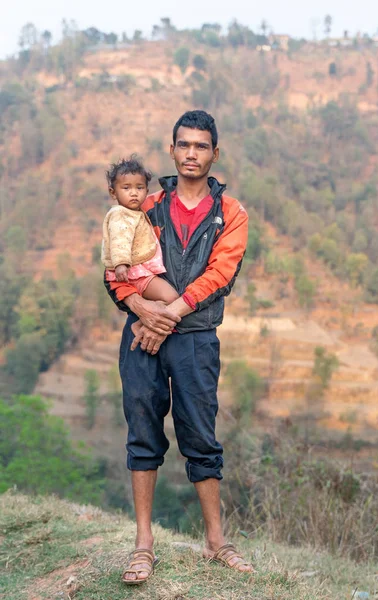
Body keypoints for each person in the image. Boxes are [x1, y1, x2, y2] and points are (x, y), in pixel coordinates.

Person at [105, 110, 254, 584]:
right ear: (172, 150)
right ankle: (143, 545)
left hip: (193, 340)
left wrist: (165, 316)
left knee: (200, 437)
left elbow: (220, 276)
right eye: (183, 144)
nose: (192, 153)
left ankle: (216, 541)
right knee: (143, 434)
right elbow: (115, 269)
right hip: (141, 334)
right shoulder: (142, 206)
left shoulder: (231, 214)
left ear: (215, 152)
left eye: (201, 145)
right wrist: (139, 307)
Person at [102, 155, 179, 315]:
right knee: (172, 298)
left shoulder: (134, 213)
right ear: (113, 192)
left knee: (169, 298)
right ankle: (146, 316)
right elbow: (119, 240)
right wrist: (121, 263)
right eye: (126, 188)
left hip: (139, 271)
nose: (134, 193)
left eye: (139, 188)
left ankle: (146, 315)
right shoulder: (120, 214)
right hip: (134, 274)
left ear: (147, 190)